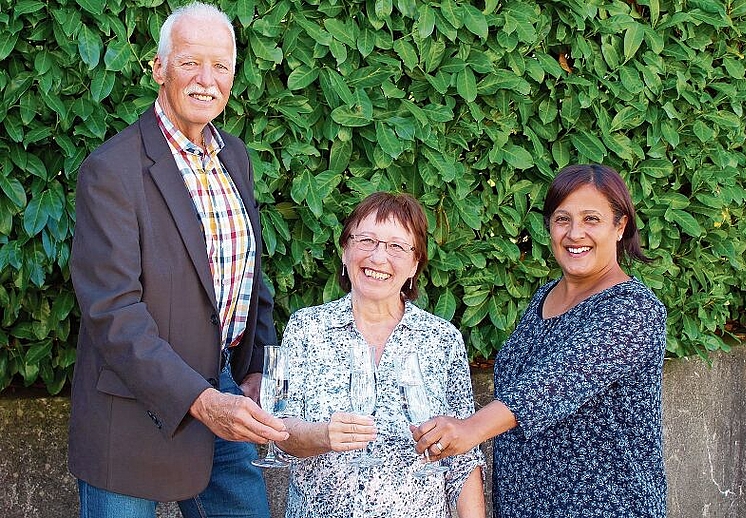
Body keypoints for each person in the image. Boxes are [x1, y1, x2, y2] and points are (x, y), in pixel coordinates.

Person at [67, 3, 288, 517]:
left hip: (225, 393)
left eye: (222, 66)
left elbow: (251, 276)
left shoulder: (235, 156)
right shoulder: (111, 171)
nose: (206, 80)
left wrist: (254, 368)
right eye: (190, 63)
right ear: (158, 69)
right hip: (128, 413)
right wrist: (202, 401)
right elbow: (114, 315)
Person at [414, 164, 667, 517]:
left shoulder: (635, 310)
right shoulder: (546, 296)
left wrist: (469, 429)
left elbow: (558, 380)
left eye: (591, 219)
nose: (575, 233)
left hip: (604, 505)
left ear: (620, 226)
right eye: (562, 219)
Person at [275, 192, 486, 518]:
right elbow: (280, 432)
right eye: (366, 240)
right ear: (345, 250)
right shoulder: (305, 328)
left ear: (415, 264)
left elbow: (462, 457)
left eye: (397, 247)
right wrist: (323, 436)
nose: (378, 257)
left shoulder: (443, 340)